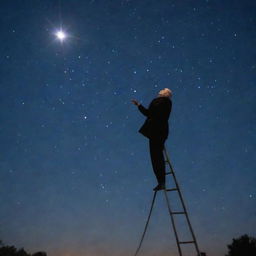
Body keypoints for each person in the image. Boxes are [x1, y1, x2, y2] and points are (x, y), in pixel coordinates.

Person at [132, 88, 172, 191]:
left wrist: (139, 106)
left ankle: (161, 182)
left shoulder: (160, 102)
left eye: (162, 90)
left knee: (156, 158)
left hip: (156, 132)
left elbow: (149, 113)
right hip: (161, 132)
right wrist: (139, 105)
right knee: (157, 157)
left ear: (164, 93)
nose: (159, 91)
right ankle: (161, 181)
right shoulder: (167, 103)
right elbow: (152, 114)